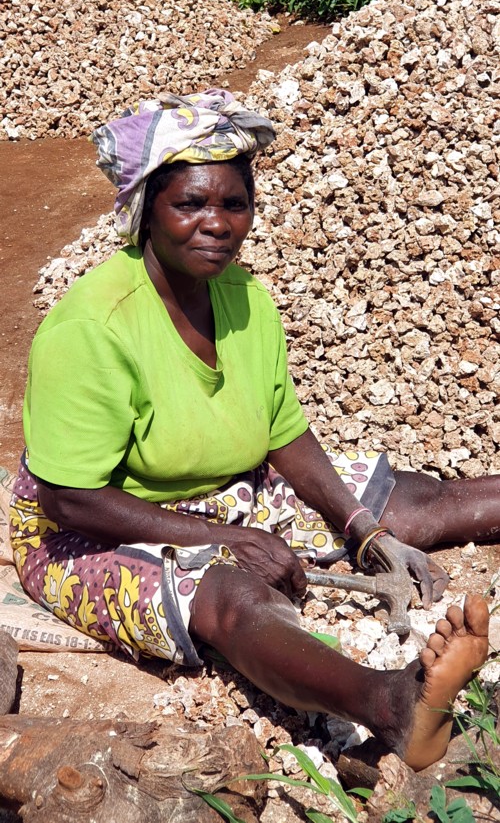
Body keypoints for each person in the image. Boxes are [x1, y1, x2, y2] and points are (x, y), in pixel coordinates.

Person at [10, 90, 498, 773]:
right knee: (235, 599)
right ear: (147, 208)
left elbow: (284, 434)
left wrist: (364, 530)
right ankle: (394, 705)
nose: (216, 223)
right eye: (190, 204)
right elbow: (70, 497)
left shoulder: (245, 298)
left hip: (224, 489)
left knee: (416, 502)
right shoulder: (93, 327)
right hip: (86, 528)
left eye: (233, 203)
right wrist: (225, 539)